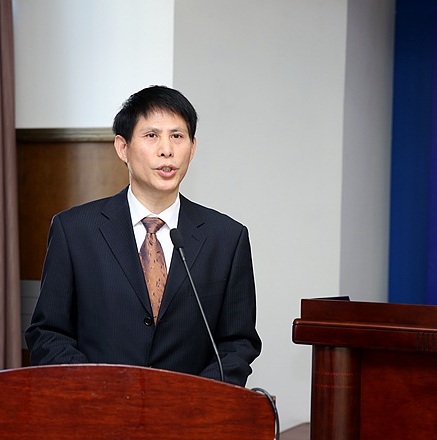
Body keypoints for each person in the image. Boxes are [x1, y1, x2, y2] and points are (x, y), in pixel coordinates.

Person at [25, 85, 261, 386]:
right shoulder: (74, 231)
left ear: (192, 147)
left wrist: (195, 399)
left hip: (191, 409)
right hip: (98, 404)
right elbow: (48, 334)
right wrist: (96, 391)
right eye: (152, 135)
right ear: (122, 147)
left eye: (177, 136)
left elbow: (237, 343)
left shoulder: (226, 238)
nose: (167, 150)